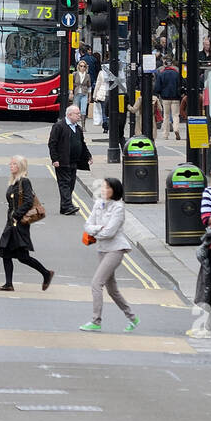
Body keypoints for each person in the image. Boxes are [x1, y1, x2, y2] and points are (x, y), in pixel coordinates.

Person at [80, 177, 138, 332]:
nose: (104, 190)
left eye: (107, 188)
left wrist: (96, 230)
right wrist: (98, 228)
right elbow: (87, 225)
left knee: (96, 283)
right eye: (103, 187)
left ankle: (96, 321)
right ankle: (132, 317)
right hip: (102, 249)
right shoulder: (98, 204)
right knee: (112, 289)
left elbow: (110, 232)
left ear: (115, 190)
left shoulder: (119, 207)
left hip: (116, 249)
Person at [0, 156, 54, 292]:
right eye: (11, 163)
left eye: (14, 164)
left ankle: (46, 273)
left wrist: (16, 215)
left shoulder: (24, 181)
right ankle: (8, 284)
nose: (11, 165)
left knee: (23, 257)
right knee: (5, 252)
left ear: (20, 166)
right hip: (11, 223)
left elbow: (28, 201)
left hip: (19, 223)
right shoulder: (14, 182)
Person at [48, 104, 92, 216]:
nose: (79, 116)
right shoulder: (59, 126)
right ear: (69, 114)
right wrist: (55, 159)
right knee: (64, 184)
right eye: (77, 114)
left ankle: (64, 207)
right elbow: (52, 143)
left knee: (71, 184)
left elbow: (82, 143)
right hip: (62, 161)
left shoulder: (77, 128)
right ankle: (67, 206)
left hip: (74, 161)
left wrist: (88, 156)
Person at [155, 61, 182, 139]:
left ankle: (165, 134)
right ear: (172, 65)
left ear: (165, 65)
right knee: (175, 115)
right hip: (175, 97)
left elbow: (157, 87)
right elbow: (182, 83)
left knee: (166, 116)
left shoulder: (161, 74)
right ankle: (176, 129)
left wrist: (160, 93)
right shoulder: (177, 74)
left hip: (165, 97)